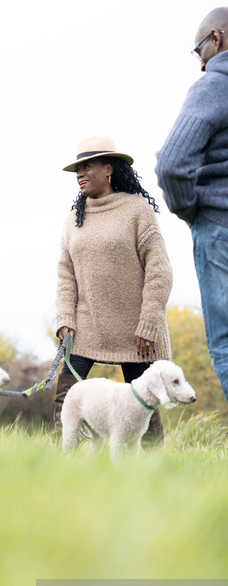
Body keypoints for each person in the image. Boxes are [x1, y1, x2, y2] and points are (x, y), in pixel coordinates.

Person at [54, 136, 173, 444]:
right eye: (77, 169)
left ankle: (156, 468)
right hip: (85, 326)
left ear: (108, 169)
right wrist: (65, 318)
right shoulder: (73, 220)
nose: (80, 173)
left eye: (87, 166)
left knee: (144, 403)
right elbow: (65, 273)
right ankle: (61, 466)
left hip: (136, 330)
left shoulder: (137, 210)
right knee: (66, 399)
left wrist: (149, 322)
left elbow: (159, 270)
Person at [155, 7, 228, 404]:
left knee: (227, 342)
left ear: (215, 39)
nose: (200, 64)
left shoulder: (215, 84)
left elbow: (172, 164)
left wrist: (189, 210)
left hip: (220, 227)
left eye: (198, 50)